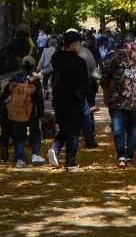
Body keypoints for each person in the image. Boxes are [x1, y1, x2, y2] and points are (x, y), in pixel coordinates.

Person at [100, 31, 136, 169]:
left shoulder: (112, 59)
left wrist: (106, 97)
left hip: (116, 99)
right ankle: (129, 156)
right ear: (134, 42)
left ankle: (121, 157)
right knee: (133, 130)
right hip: (135, 100)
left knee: (118, 129)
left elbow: (104, 80)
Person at [48, 29, 91, 170]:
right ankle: (70, 160)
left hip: (58, 99)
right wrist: (87, 99)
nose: (79, 46)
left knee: (65, 127)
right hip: (74, 99)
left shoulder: (56, 59)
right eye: (78, 43)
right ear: (73, 43)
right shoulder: (79, 62)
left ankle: (55, 148)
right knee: (73, 130)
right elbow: (85, 83)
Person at [0, 55, 45, 167]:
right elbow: (39, 98)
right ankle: (35, 155)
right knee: (35, 133)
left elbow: (5, 94)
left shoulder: (15, 80)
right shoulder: (34, 81)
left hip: (18, 112)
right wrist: (41, 113)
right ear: (33, 67)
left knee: (19, 136)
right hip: (32, 111)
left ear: (22, 67)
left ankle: (20, 159)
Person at [0, 23, 34, 89]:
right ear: (29, 35)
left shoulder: (5, 48)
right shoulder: (30, 50)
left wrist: (0, 84)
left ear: (15, 34)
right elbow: (31, 69)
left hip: (5, 83)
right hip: (23, 85)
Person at [77, 38, 99, 148]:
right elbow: (93, 67)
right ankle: (89, 136)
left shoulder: (61, 53)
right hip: (87, 84)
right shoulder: (86, 52)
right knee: (88, 110)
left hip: (70, 87)